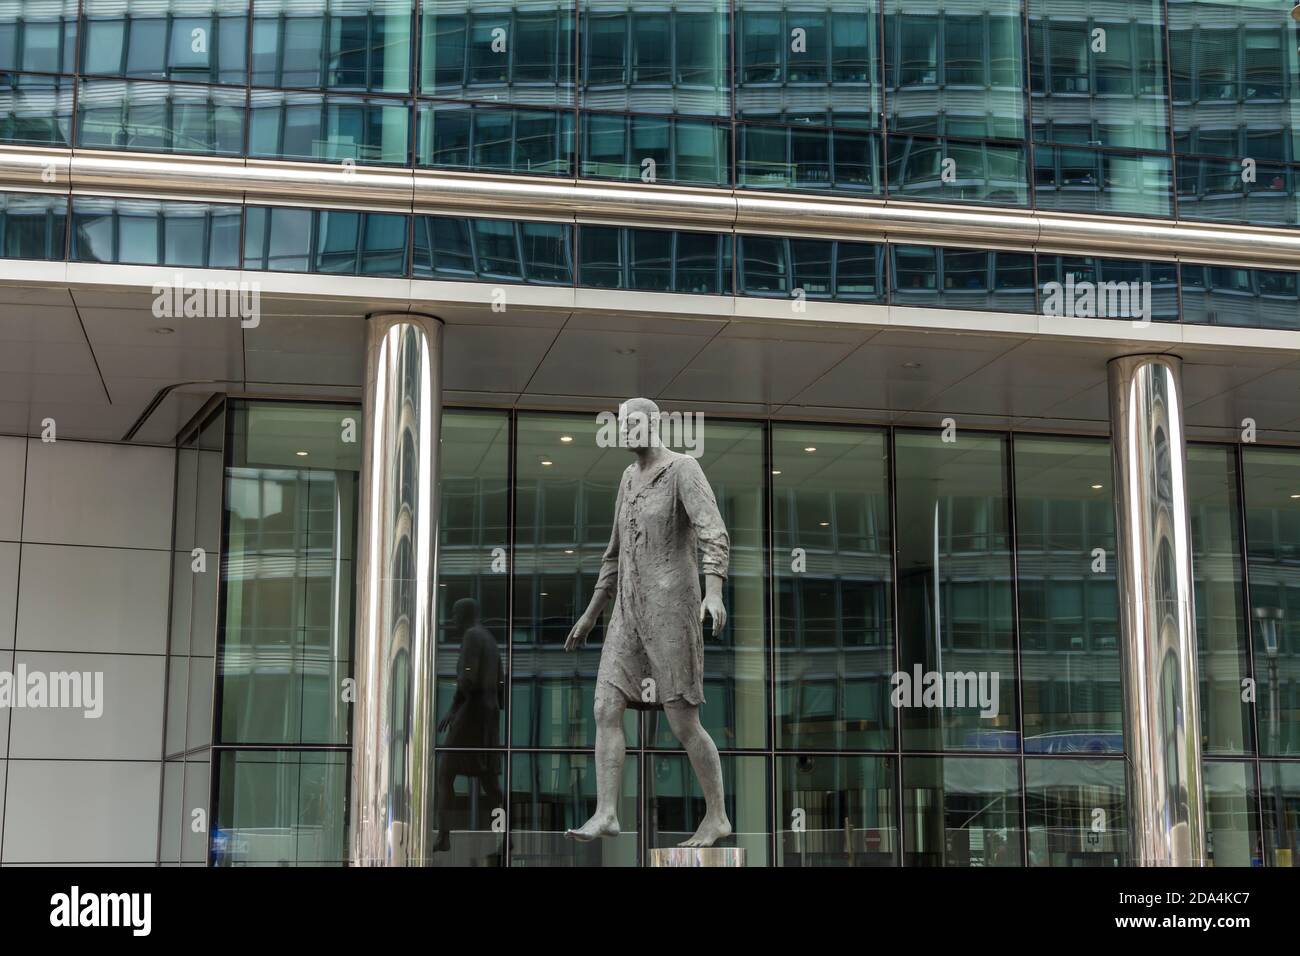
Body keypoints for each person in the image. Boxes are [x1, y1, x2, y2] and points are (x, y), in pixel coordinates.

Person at [563, 398, 732, 848]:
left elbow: (713, 530)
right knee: (604, 706)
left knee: (683, 723)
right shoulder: (626, 478)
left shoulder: (683, 469)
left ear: (655, 424)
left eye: (634, 423)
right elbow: (615, 553)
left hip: (672, 611)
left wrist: (713, 592)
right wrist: (591, 613)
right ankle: (607, 812)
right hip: (628, 613)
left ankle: (717, 816)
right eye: (621, 425)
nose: (625, 431)